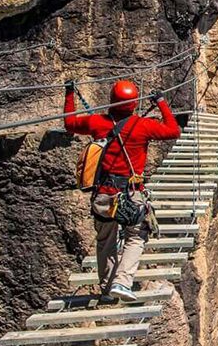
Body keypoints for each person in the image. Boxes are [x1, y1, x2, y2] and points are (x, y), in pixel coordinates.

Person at [64, 79, 180, 302]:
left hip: (104, 195)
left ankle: (108, 290)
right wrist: (161, 102)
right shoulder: (142, 126)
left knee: (105, 240)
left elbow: (69, 123)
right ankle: (122, 282)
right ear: (133, 104)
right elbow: (173, 130)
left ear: (111, 101)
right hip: (131, 193)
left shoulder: (97, 123)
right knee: (136, 237)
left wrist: (69, 93)